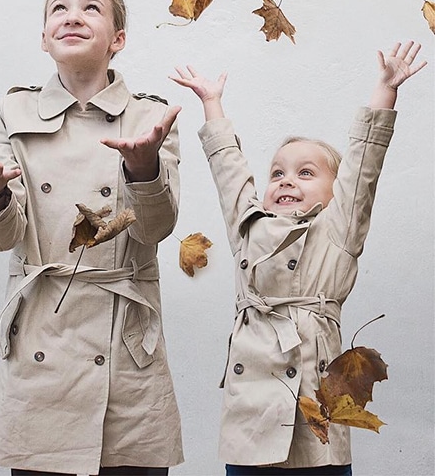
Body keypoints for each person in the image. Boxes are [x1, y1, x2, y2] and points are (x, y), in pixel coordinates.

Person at [0, 0, 184, 476]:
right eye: (59, 8)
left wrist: (144, 171)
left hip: (122, 347)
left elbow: (155, 229)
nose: (73, 16)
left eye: (91, 9)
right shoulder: (13, 110)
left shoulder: (151, 117)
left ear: (118, 39)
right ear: (43, 37)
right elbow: (4, 237)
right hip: (42, 339)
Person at [171, 41, 426, 475]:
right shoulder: (249, 227)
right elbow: (230, 172)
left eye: (306, 172)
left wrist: (386, 92)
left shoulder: (337, 230)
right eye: (278, 173)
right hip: (251, 410)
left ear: (334, 192)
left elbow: (364, 167)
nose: (287, 180)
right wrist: (212, 104)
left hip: (317, 404)